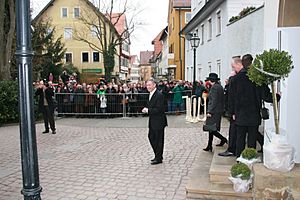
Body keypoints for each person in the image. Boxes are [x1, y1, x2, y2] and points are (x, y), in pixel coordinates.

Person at [229, 56, 276, 157]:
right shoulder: (258, 79)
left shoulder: (235, 79)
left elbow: (231, 98)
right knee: (252, 140)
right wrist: (277, 96)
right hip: (253, 114)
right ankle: (250, 159)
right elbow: (266, 96)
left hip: (240, 114)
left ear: (242, 63)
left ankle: (239, 159)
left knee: (240, 139)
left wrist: (232, 112)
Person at [142, 80, 168, 165]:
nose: (148, 87)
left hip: (159, 121)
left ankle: (158, 157)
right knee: (151, 137)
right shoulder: (151, 94)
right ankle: (157, 155)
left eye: (149, 85)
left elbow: (160, 109)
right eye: (147, 85)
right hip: (153, 120)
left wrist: (148, 110)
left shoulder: (159, 95)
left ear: (154, 85)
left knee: (158, 140)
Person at [203, 73, 227, 152]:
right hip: (218, 110)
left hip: (214, 111)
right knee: (211, 128)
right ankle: (209, 145)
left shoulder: (214, 88)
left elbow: (214, 101)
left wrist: (210, 111)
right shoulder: (219, 87)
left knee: (212, 129)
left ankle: (223, 139)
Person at [219, 70, 237, 157]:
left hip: (234, 112)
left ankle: (232, 149)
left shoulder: (232, 86)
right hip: (231, 111)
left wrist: (232, 112)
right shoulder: (229, 86)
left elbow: (232, 99)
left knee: (233, 131)